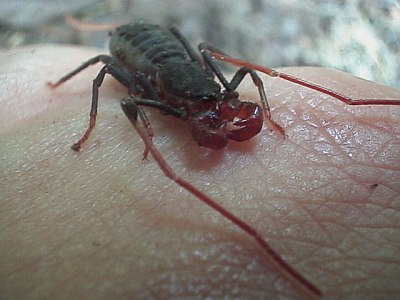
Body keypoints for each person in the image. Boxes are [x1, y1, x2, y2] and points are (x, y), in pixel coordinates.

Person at [1, 45, 399, 299]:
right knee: (103, 66)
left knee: (237, 66)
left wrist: (267, 116)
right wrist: (145, 136)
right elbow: (124, 97)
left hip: (175, 55)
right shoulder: (154, 94)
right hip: (137, 52)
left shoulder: (213, 87)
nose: (217, 106)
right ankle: (85, 120)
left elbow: (250, 75)